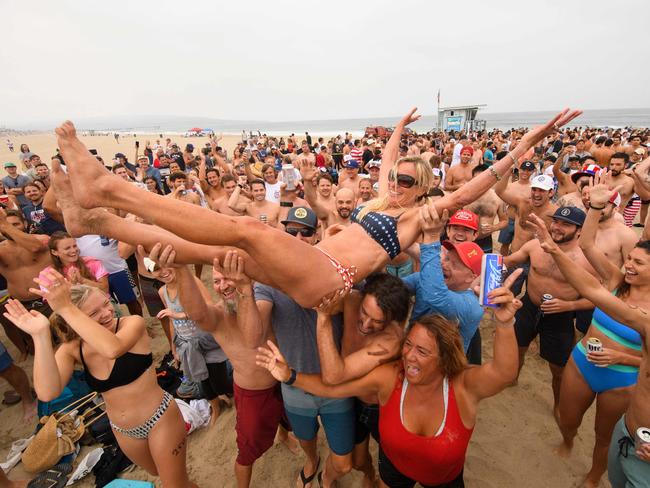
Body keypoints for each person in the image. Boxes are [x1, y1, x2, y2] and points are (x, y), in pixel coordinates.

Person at [54, 109, 582, 308]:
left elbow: (476, 186)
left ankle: (106, 188)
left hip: (332, 276)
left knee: (244, 228)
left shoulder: (421, 216)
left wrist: (536, 137)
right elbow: (391, 158)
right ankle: (95, 220)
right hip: (318, 268)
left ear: (423, 190)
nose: (394, 183)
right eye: (393, 177)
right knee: (205, 246)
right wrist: (398, 129)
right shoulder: (381, 198)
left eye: (405, 181)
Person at [256, 268, 524, 488]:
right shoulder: (392, 376)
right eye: (409, 346)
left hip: (445, 480)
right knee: (361, 461)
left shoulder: (461, 385)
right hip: (393, 470)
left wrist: (504, 323)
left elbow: (503, 373)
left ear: (443, 357)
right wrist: (289, 375)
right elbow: (335, 389)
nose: (409, 357)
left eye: (422, 351)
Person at [3, 272, 198, 487]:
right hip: (124, 431)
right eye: (95, 312)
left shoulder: (130, 324)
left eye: (106, 303)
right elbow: (47, 392)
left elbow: (112, 348)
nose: (107, 312)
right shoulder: (74, 348)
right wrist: (39, 336)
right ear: (77, 320)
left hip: (160, 419)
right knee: (159, 472)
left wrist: (66, 307)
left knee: (175, 485)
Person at [147, 245, 298, 488]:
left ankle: (284, 434)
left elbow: (257, 330)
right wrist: (182, 269)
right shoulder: (217, 316)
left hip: (284, 381)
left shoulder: (262, 302)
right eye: (217, 281)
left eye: (229, 278)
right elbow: (197, 312)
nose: (224, 285)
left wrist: (246, 286)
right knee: (247, 451)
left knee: (286, 418)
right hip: (252, 393)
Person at [528, 180, 643, 487]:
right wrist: (594, 208)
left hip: (621, 376)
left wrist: (620, 355)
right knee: (567, 418)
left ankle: (594, 475)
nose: (629, 265)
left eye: (639, 264)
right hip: (583, 361)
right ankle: (568, 440)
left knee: (603, 435)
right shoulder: (616, 281)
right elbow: (588, 245)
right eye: (630, 259)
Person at [314, 272, 411, 487]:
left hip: (378, 409)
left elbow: (333, 376)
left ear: (393, 319)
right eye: (364, 313)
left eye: (378, 322)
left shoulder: (389, 342)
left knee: (394, 464)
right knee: (357, 461)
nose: (366, 325)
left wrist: (323, 320)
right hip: (350, 400)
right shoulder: (352, 300)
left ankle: (373, 477)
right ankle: (368, 473)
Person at [504, 207, 599, 422]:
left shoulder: (586, 260)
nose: (557, 227)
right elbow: (508, 261)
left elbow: (597, 297)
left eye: (565, 224)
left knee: (558, 368)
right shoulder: (535, 246)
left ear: (579, 230)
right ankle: (512, 379)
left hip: (561, 315)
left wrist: (568, 306)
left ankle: (558, 404)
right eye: (556, 221)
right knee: (517, 348)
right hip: (529, 305)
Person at [153, 259, 232, 425]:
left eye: (165, 265)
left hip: (206, 339)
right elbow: (170, 321)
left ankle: (225, 396)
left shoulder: (191, 282)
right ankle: (215, 406)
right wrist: (173, 348)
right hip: (187, 344)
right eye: (156, 269)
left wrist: (180, 315)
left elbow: (210, 307)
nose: (163, 271)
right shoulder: (162, 291)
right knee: (201, 379)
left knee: (218, 378)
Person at [404, 206, 484, 364]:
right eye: (455, 227)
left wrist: (431, 237)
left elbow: (436, 295)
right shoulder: (436, 255)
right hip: (414, 348)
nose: (459, 233)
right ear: (448, 230)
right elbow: (396, 285)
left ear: (475, 235)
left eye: (466, 230)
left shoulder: (484, 268)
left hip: (445, 355)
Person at [0, 209, 51, 359]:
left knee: (63, 337)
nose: (11, 228)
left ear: (25, 223)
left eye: (16, 224)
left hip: (48, 301)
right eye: (7, 225)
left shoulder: (41, 239)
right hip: (22, 304)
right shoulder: (2, 249)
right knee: (37, 345)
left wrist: (4, 224)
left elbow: (36, 247)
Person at [39, 231, 109, 293]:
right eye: (67, 248)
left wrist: (82, 280)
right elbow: (53, 301)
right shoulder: (47, 274)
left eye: (74, 246)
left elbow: (105, 289)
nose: (73, 250)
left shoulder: (91, 262)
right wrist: (72, 285)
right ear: (54, 252)